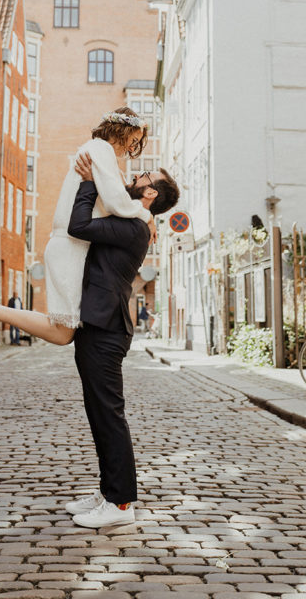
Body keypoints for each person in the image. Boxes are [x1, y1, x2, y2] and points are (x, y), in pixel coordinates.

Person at [0, 108, 172, 344]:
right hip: (70, 247)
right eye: (133, 141)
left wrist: (148, 214)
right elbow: (117, 201)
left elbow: (120, 193)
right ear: (122, 130)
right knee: (62, 332)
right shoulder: (100, 150)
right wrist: (145, 216)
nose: (131, 149)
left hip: (71, 247)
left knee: (64, 331)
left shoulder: (99, 152)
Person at [64, 152, 179, 528]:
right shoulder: (136, 220)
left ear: (149, 194)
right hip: (97, 323)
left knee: (109, 416)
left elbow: (78, 226)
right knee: (99, 414)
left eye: (144, 175)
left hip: (106, 327)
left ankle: (122, 503)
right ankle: (108, 490)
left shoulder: (134, 227)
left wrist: (86, 183)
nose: (136, 175)